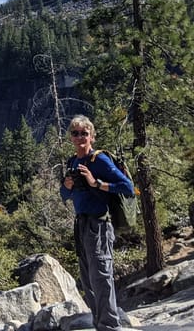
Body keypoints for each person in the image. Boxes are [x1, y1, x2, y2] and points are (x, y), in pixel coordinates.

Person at [60, 115, 134, 331]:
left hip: (99, 225)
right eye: (76, 133)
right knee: (88, 280)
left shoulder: (98, 160)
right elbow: (65, 195)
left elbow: (127, 187)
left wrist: (96, 182)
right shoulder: (73, 162)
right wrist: (67, 185)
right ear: (71, 138)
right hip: (81, 226)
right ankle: (100, 324)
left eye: (84, 133)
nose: (80, 136)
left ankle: (111, 326)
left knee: (101, 277)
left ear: (92, 136)